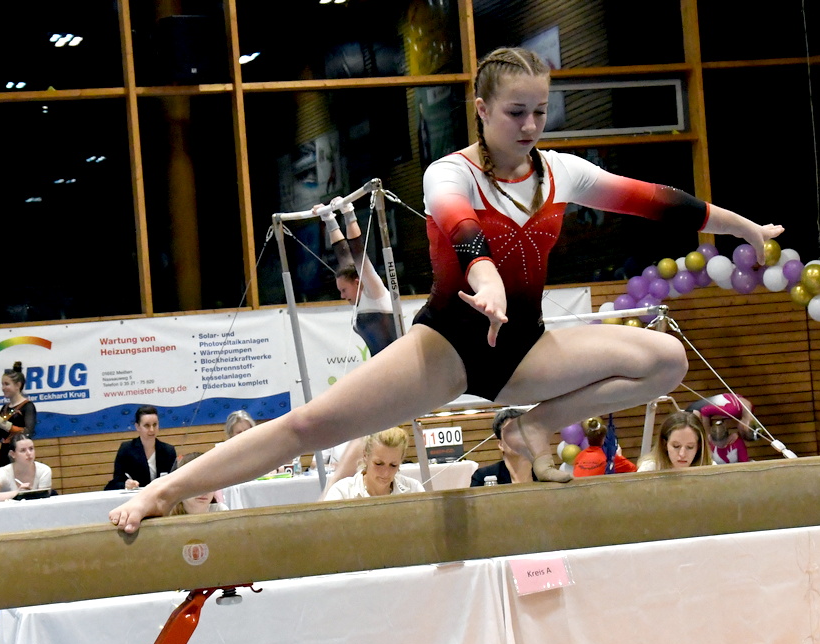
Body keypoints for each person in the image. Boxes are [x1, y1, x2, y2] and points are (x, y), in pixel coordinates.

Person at [110, 46, 782, 533]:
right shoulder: (448, 173)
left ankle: (533, 425)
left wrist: (743, 228)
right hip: (449, 346)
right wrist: (486, 281)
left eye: (539, 112)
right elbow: (463, 232)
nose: (529, 126)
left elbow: (656, 200)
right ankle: (163, 492)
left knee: (665, 360)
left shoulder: (563, 173)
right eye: (515, 112)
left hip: (524, 350)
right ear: (481, 109)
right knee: (308, 425)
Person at [317, 197, 398, 358]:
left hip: (398, 364)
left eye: (344, 290)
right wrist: (328, 218)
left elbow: (357, 251)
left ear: (357, 283)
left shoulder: (374, 293)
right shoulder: (359, 297)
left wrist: (348, 211)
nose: (342, 296)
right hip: (380, 365)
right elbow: (342, 253)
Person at [322, 427, 425, 500]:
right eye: (379, 463)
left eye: (393, 465)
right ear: (365, 455)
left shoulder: (414, 490)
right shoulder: (342, 493)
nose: (385, 473)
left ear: (401, 460)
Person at [0, 361, 37, 469]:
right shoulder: (5, 409)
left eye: (7, 384)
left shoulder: (27, 406)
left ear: (18, 385)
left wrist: (3, 423)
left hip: (21, 455)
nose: (3, 388)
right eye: (2, 384)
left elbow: (28, 432)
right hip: (5, 455)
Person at [104, 406, 177, 491]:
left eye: (155, 425)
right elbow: (117, 481)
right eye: (147, 425)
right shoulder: (126, 449)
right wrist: (126, 484)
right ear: (137, 427)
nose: (152, 429)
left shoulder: (168, 451)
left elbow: (175, 480)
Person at [470, 407, 537, 485]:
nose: (518, 437)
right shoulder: (483, 477)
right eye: (511, 432)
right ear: (500, 444)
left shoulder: (544, 474)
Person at [0, 435, 52, 502]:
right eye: (23, 450)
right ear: (13, 454)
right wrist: (17, 493)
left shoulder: (44, 470)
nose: (29, 453)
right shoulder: (3, 472)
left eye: (31, 449)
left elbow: (43, 501)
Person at [637, 411, 712, 471]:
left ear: (699, 446)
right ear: (664, 444)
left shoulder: (711, 469)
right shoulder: (649, 469)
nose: (682, 454)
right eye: (676, 446)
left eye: (690, 447)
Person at [572, 417, 637, 476]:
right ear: (604, 439)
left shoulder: (579, 456)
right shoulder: (609, 456)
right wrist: (619, 456)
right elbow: (633, 469)